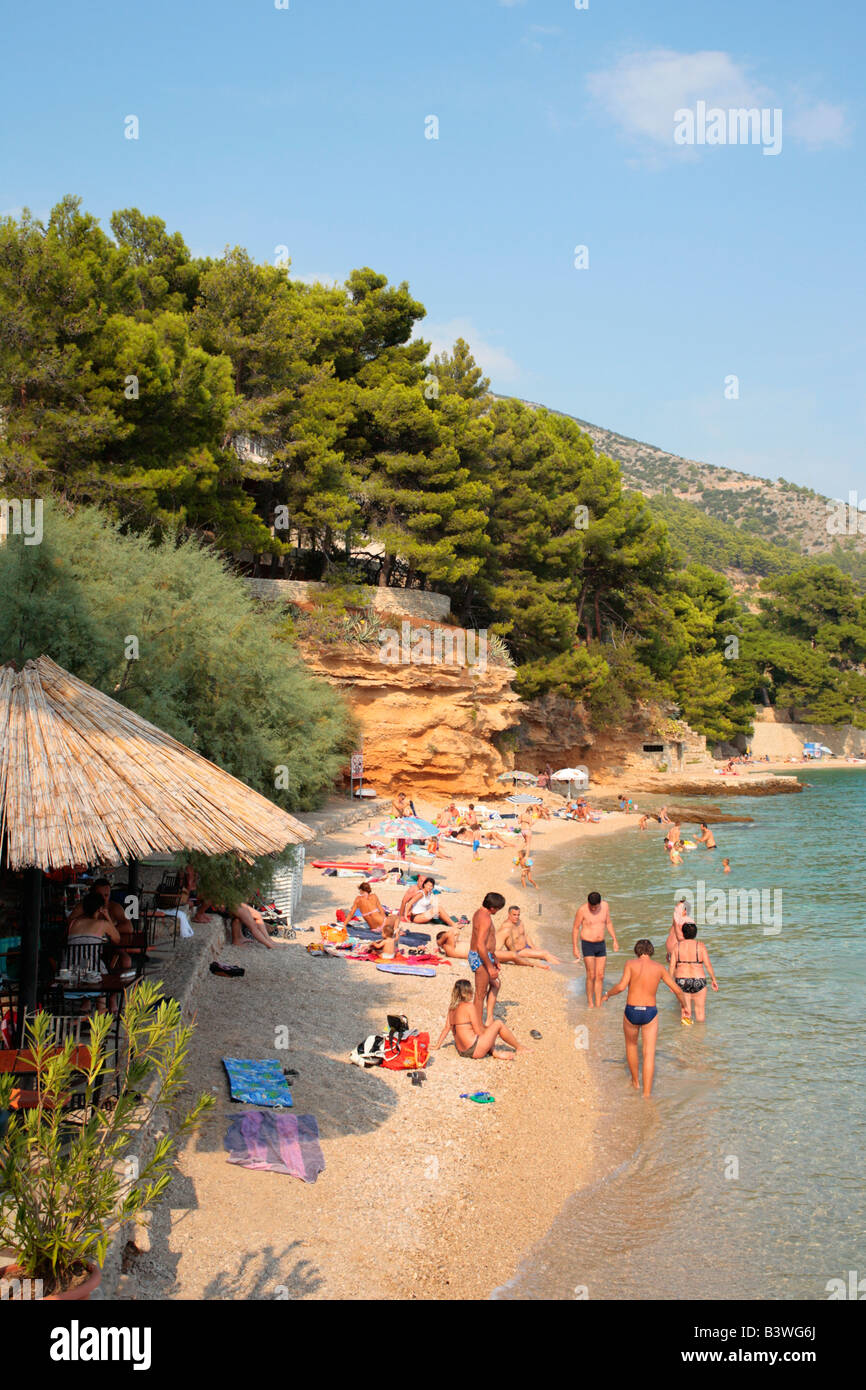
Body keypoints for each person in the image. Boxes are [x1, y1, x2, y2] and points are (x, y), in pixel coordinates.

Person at [601, 940, 688, 1096]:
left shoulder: (630, 964)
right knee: (649, 1054)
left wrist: (607, 995)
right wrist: (684, 1006)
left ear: (637, 951)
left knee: (631, 1046)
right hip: (649, 1012)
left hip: (631, 1010)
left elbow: (621, 987)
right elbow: (677, 990)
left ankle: (635, 1082)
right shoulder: (659, 968)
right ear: (651, 952)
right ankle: (647, 1094)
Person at [433, 979, 528, 1060]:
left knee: (489, 1031)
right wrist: (492, 1039)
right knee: (498, 1024)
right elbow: (478, 1032)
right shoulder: (469, 1007)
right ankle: (518, 1047)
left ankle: (495, 1051)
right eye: (471, 991)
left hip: (462, 1051)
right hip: (474, 1050)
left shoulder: (452, 1009)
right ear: (465, 994)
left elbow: (446, 1028)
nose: (472, 994)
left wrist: (437, 1046)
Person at [572, 891, 618, 1006]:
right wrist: (575, 947)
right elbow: (576, 928)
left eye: (595, 907)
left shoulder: (605, 906)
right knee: (591, 975)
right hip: (587, 944)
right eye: (591, 906)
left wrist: (614, 939)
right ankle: (590, 1002)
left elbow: (608, 923)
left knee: (600, 975)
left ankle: (598, 1003)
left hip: (601, 944)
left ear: (600, 903)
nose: (593, 909)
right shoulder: (582, 910)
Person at [67, 889, 132, 972]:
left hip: (69, 969)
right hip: (92, 970)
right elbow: (117, 939)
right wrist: (107, 916)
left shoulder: (74, 923)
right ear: (100, 909)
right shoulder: (103, 924)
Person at [469, 891, 506, 1025]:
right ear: (493, 908)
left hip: (486, 956)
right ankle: (477, 1026)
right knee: (480, 994)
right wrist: (490, 967)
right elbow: (480, 945)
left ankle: (489, 1018)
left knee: (496, 984)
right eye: (498, 909)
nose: (498, 911)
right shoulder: (485, 918)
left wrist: (494, 956)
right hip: (480, 957)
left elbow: (488, 941)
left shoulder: (480, 913)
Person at [672, 921, 719, 1024]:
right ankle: (699, 1036)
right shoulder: (700, 946)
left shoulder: (677, 947)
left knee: (685, 1012)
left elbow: (672, 968)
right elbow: (708, 965)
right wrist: (713, 980)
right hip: (699, 980)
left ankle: (687, 1037)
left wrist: (671, 984)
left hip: (682, 981)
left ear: (683, 933)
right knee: (700, 1012)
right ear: (695, 933)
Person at [69, 877, 133, 944]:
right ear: (92, 894)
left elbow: (129, 928)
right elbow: (70, 923)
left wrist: (105, 930)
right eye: (99, 895)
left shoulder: (114, 907)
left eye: (106, 895)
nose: (103, 899)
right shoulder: (83, 906)